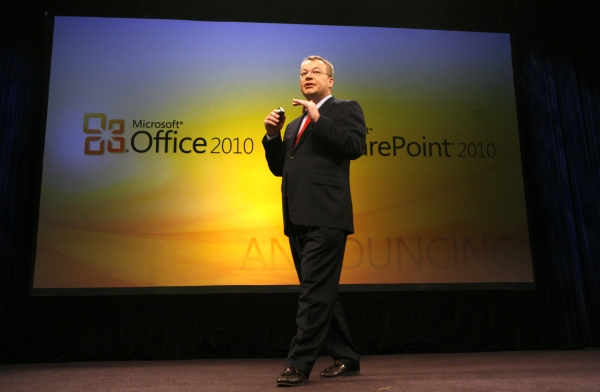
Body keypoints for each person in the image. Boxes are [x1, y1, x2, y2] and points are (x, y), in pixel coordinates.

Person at [262, 55, 366, 387]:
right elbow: (282, 168)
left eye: (316, 72)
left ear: (330, 80)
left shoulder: (345, 109)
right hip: (297, 218)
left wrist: (319, 118)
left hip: (327, 215)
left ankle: (298, 363)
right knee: (321, 292)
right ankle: (347, 357)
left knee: (312, 292)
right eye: (303, 73)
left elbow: (355, 145)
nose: (308, 76)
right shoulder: (294, 124)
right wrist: (272, 137)